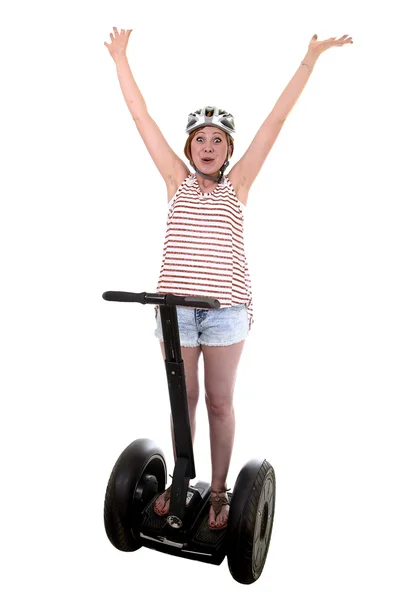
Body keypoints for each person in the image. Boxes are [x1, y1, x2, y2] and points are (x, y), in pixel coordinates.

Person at [104, 28, 353, 530]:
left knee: (218, 401)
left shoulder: (238, 186)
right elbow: (140, 116)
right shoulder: (175, 181)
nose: (209, 146)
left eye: (219, 140)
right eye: (201, 139)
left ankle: (217, 493)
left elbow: (275, 122)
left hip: (224, 314)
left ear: (230, 149)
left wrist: (310, 57)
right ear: (190, 147)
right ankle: (181, 481)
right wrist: (120, 58)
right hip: (174, 309)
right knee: (183, 400)